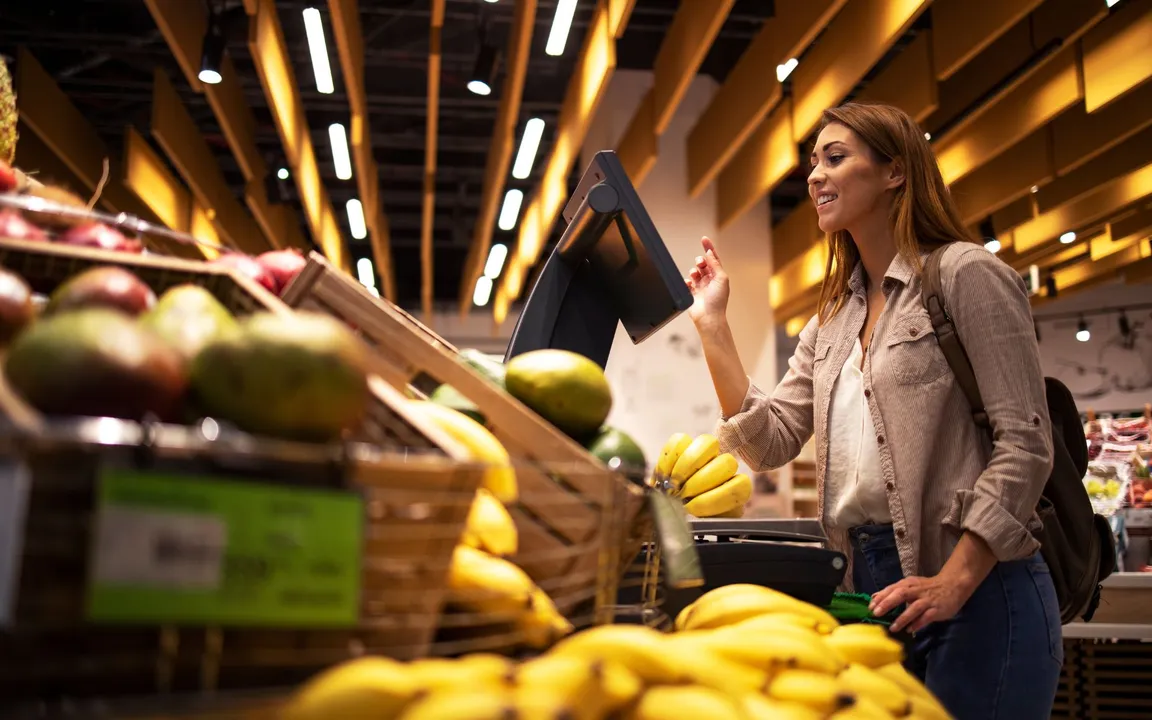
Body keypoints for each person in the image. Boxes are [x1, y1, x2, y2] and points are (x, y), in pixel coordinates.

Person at [686, 101, 1061, 720]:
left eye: (835, 158)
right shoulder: (833, 321)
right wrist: (713, 326)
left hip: (979, 584)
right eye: (812, 163)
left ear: (895, 173)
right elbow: (770, 440)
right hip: (872, 590)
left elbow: (1026, 443)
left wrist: (955, 580)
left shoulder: (964, 274)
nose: (814, 176)